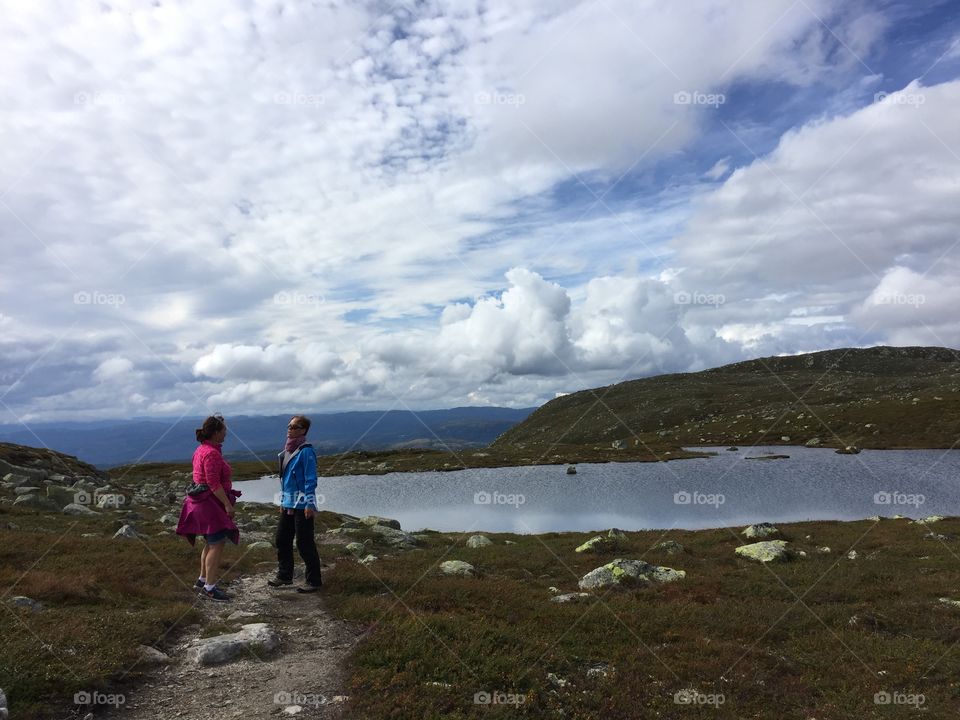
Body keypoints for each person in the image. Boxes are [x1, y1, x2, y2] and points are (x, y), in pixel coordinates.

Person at [175, 414, 241, 602]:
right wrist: (227, 505)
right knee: (217, 544)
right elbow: (213, 483)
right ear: (216, 432)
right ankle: (210, 588)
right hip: (209, 504)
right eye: (224, 431)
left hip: (199, 503)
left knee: (210, 543)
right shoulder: (211, 453)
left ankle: (202, 580)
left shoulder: (201, 449)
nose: (226, 434)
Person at [268, 415, 322, 592]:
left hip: (302, 505)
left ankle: (314, 581)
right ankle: (285, 576)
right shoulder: (288, 450)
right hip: (289, 503)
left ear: (303, 430)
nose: (289, 429)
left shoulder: (306, 451)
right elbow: (285, 479)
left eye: (294, 426)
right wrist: (283, 500)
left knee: (304, 542)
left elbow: (310, 479)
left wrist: (309, 504)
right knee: (282, 539)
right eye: (289, 426)